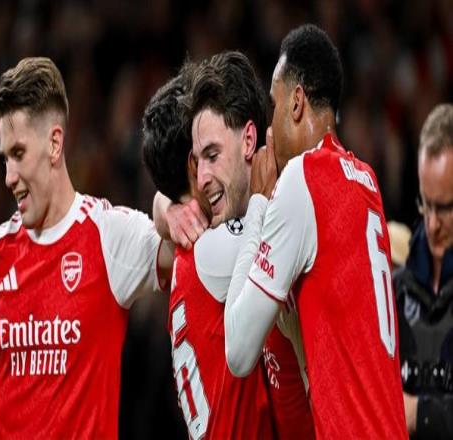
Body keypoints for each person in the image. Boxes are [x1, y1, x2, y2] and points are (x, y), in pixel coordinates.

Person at [0, 57, 172, 439]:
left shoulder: (108, 234)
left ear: (55, 143)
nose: (8, 177)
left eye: (18, 154)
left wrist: (164, 204)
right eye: (4, 158)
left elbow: (178, 246)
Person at [221, 24, 407, 438]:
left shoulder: (303, 177)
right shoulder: (366, 181)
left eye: (274, 104)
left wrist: (257, 204)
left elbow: (238, 351)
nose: (270, 126)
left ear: (297, 102)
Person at [145, 51, 314, 439]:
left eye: (213, 154)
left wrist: (163, 206)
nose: (206, 174)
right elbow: (284, 224)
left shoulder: (187, 248)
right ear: (191, 167)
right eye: (201, 158)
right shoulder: (215, 248)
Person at [394, 103, 453, 439]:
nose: (432, 225)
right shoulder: (394, 292)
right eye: (425, 204)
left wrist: (420, 413)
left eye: (444, 208)